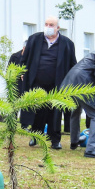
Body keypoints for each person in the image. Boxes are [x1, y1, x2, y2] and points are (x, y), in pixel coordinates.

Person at [21, 16, 77, 148]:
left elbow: (72, 64)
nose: (48, 27)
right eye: (46, 24)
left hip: (57, 84)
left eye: (51, 25)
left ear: (58, 28)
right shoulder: (34, 39)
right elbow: (25, 58)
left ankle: (55, 140)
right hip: (37, 83)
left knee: (55, 113)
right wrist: (22, 72)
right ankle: (35, 137)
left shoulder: (67, 43)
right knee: (37, 111)